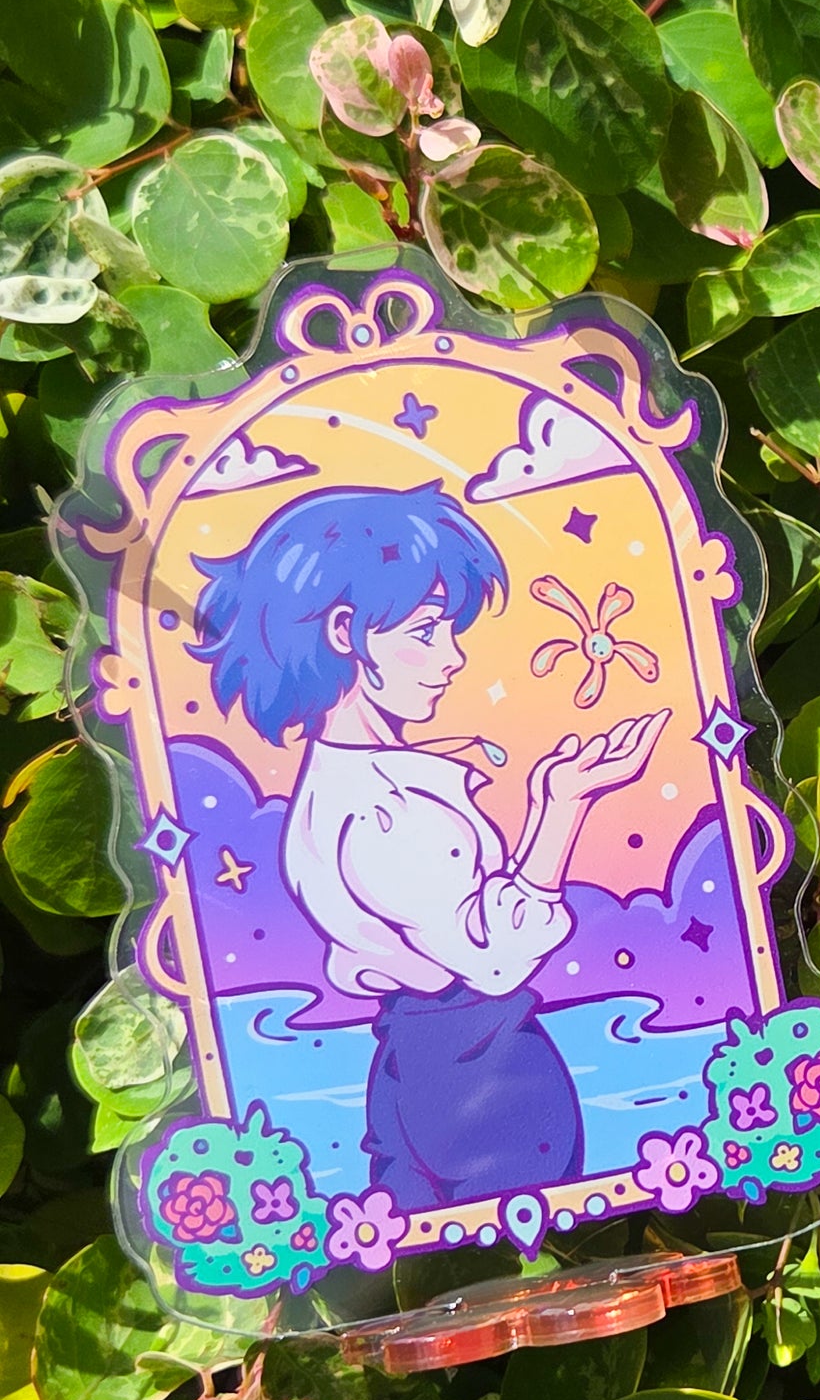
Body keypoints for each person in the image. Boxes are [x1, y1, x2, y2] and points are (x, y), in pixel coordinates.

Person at [188, 483, 667, 1208]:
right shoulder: (389, 810)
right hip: (481, 1073)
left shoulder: (336, 788)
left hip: (410, 1071)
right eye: (425, 631)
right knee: (524, 1218)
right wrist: (561, 802)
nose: (451, 657)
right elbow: (494, 955)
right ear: (345, 633)